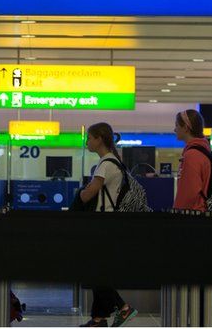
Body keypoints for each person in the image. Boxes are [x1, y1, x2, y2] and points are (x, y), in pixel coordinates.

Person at [77, 123, 136, 328]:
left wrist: (81, 193)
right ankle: (100, 318)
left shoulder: (106, 163)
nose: (87, 142)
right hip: (108, 223)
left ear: (99, 139)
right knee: (98, 270)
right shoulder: (114, 161)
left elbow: (88, 194)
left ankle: (122, 308)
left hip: (101, 224)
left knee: (96, 270)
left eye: (89, 138)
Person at [173, 110, 212, 212]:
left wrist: (176, 212)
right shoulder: (201, 150)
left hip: (194, 214)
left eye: (177, 125)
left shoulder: (192, 155)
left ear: (185, 128)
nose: (174, 129)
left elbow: (189, 191)